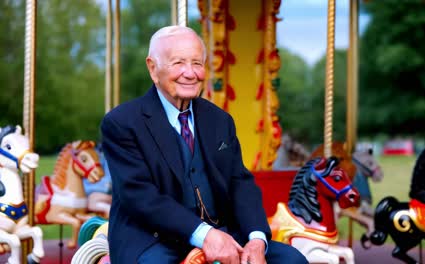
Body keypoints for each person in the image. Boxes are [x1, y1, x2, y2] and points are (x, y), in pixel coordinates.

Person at [101, 25, 308, 264]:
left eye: (197, 63)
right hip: (154, 237)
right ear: (152, 68)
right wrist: (204, 234)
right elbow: (139, 195)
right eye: (178, 63)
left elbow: (240, 182)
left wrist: (256, 238)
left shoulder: (220, 120)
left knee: (293, 260)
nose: (190, 73)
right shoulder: (122, 123)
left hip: (224, 233)